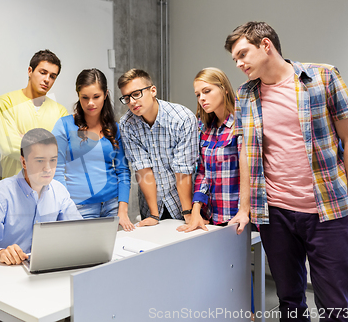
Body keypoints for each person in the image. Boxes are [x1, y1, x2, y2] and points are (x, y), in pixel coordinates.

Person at [225, 21, 348, 321]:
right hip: (276, 214)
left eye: (243, 54)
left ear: (266, 45)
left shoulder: (323, 77)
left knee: (336, 306)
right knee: (289, 303)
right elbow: (247, 152)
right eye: (235, 59)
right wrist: (245, 208)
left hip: (326, 210)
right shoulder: (245, 95)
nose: (239, 63)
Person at [0, 128, 82, 266]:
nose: (48, 168)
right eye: (40, 161)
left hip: (45, 269)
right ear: (24, 162)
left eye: (53, 160)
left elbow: (78, 232)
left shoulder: (59, 191)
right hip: (7, 272)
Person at [118, 69, 200, 230]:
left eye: (136, 94)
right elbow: (142, 169)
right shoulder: (127, 124)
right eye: (127, 98)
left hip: (183, 202)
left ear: (153, 90)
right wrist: (154, 214)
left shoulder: (182, 118)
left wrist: (187, 212)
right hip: (151, 205)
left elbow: (183, 169)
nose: (132, 101)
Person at [52, 68, 132, 231]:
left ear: (105, 94)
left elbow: (123, 171)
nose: (90, 103)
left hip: (112, 205)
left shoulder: (114, 128)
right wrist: (68, 209)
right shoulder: (64, 125)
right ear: (78, 95)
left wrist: (122, 211)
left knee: (119, 254)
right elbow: (56, 170)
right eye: (85, 97)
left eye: (96, 97)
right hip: (78, 208)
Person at [177, 67, 250, 233]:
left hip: (237, 216)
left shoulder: (241, 125)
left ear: (223, 89)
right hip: (210, 216)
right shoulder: (204, 128)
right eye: (198, 94)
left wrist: (243, 211)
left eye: (207, 91)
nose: (202, 98)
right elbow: (202, 173)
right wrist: (196, 209)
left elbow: (250, 172)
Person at [0, 49, 68, 179]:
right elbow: (9, 146)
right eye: (43, 73)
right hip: (14, 186)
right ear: (30, 71)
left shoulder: (60, 111)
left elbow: (61, 151)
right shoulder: (7, 102)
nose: (47, 79)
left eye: (52, 76)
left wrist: (25, 141)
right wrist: (46, 145)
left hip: (47, 187)